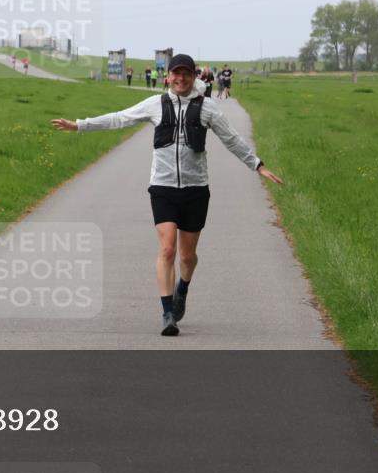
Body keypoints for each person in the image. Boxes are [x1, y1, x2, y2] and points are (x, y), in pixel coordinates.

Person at [51, 54, 283, 336]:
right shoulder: (156, 104)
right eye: (176, 74)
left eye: (186, 74)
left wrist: (257, 165)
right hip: (163, 187)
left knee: (187, 256)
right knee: (167, 249)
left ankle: (182, 288)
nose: (181, 79)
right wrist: (80, 125)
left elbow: (231, 139)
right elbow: (120, 118)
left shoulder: (207, 108)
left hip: (196, 190)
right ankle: (168, 313)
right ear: (168, 77)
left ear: (194, 77)